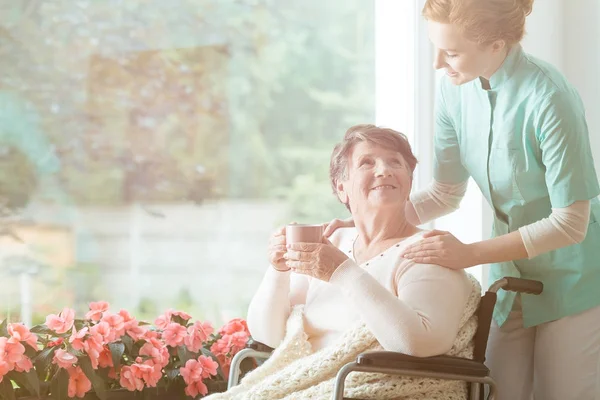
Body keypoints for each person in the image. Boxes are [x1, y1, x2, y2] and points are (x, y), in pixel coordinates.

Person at [325, 1, 600, 399]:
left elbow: (571, 222)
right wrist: (369, 217)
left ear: (496, 44)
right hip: (510, 278)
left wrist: (468, 254)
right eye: (436, 47)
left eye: (451, 52)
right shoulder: (454, 92)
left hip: (577, 277)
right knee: (492, 392)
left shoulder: (550, 97)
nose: (438, 62)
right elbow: (446, 192)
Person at [212, 125, 481, 400]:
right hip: (308, 387)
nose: (383, 170)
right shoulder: (331, 242)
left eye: (395, 162)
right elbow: (268, 334)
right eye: (367, 162)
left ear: (409, 182)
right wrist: (278, 270)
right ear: (342, 188)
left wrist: (341, 272)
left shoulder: (429, 250)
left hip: (368, 390)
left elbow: (420, 342)